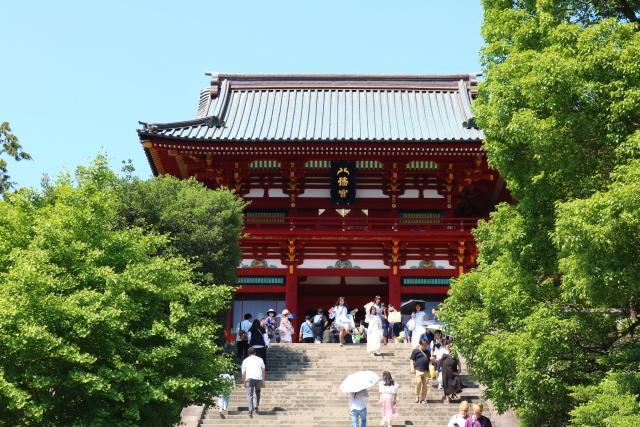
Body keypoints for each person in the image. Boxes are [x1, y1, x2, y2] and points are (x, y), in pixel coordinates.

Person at [241, 346, 265, 417]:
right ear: (255, 353)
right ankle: (256, 405)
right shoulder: (260, 359)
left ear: (248, 353)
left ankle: (250, 410)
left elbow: (243, 373)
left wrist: (244, 383)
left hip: (249, 379)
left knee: (249, 395)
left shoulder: (245, 360)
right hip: (258, 378)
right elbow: (263, 370)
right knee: (258, 392)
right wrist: (263, 381)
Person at [410, 338, 431, 404]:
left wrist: (431, 361)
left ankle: (423, 399)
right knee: (418, 382)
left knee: (425, 385)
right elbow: (411, 360)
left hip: (426, 370)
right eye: (424, 345)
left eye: (426, 345)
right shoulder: (416, 351)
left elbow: (429, 361)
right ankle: (417, 396)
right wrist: (412, 367)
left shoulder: (428, 352)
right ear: (420, 344)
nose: (425, 346)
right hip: (418, 369)